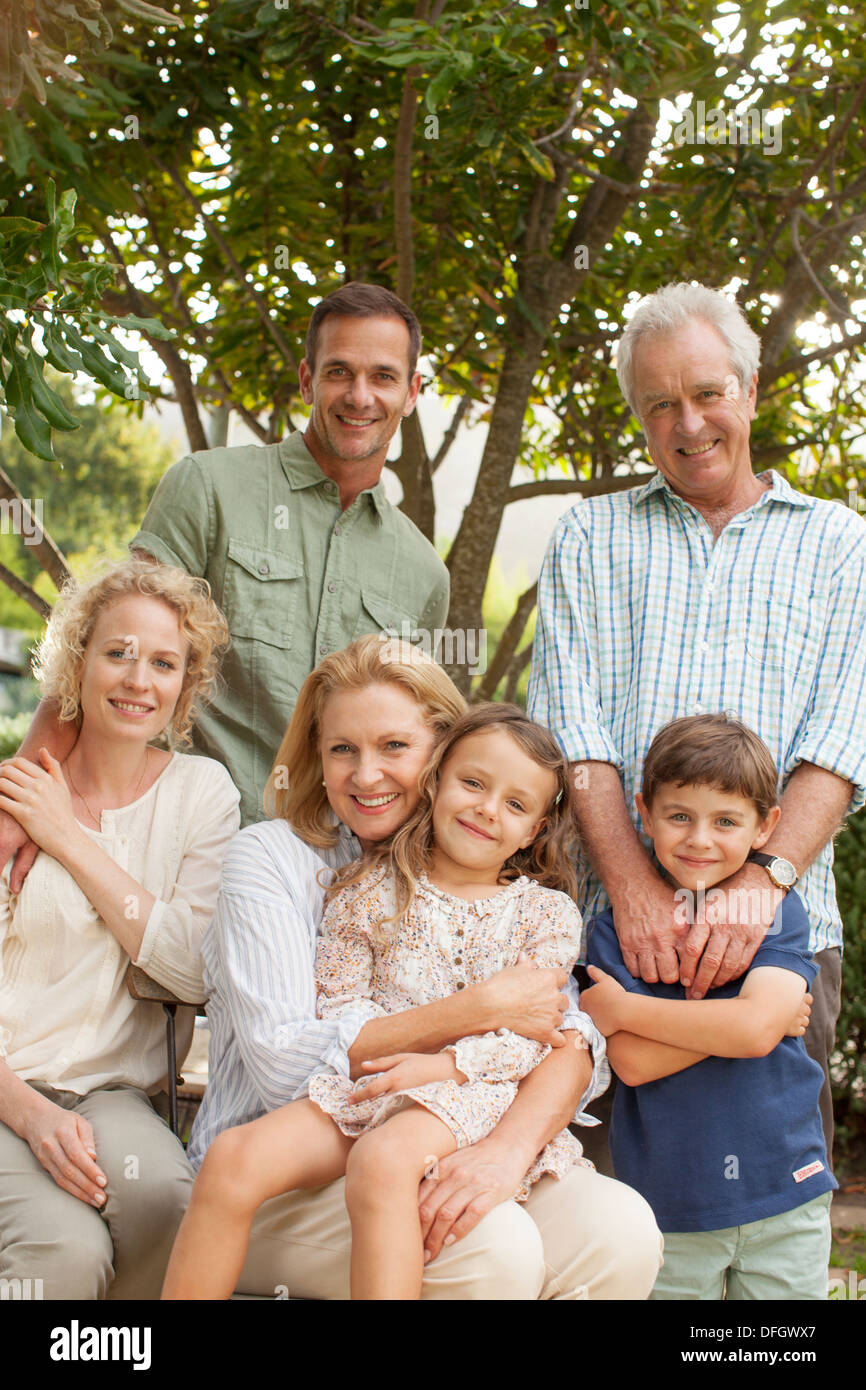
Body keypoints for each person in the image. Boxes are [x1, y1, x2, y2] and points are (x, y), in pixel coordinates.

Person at [185, 635, 662, 1300]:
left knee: (624, 1232)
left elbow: (565, 1039)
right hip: (331, 1131)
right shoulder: (334, 878)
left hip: (465, 1105)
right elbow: (292, 1061)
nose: (366, 773)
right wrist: (481, 1009)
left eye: (394, 747)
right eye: (341, 749)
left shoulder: (539, 911)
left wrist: (473, 1101)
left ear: (435, 754)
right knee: (493, 1248)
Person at [528, 280, 866, 1162]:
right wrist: (637, 891)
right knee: (600, 1217)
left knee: (765, 1208)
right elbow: (575, 737)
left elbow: (842, 739)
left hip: (783, 941)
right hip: (613, 933)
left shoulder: (839, 544)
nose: (689, 423)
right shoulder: (588, 538)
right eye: (659, 405)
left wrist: (765, 879)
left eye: (708, 394)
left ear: (749, 392)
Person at [1, 283, 449, 852]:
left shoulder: (424, 574)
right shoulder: (208, 488)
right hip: (177, 846)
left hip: (337, 879)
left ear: (411, 392)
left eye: (383, 376)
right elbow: (102, 659)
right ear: (309, 381)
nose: (360, 396)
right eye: (339, 372)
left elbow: (418, 748)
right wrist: (22, 803)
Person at [0, 558, 240, 1298]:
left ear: (185, 684)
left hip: (115, 1093)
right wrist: (33, 1117)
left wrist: (68, 837)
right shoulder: (15, 801)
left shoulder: (201, 794)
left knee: (167, 1203)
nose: (140, 681)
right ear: (78, 664)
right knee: (64, 1253)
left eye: (164, 663)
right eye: (118, 654)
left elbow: (191, 970)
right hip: (6, 1085)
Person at [581, 714, 835, 1300]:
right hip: (670, 1200)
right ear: (643, 813)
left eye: (726, 821)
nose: (699, 839)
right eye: (679, 816)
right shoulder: (616, 932)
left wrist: (625, 1011)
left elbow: (751, 1030)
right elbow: (635, 1065)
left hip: (786, 1189)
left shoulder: (773, 910)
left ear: (766, 826)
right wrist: (751, 1023)